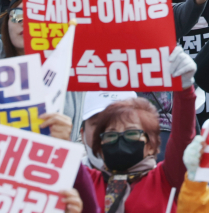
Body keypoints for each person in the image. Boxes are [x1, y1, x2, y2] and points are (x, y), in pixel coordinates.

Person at [83, 57, 198, 213]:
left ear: (150, 144)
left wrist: (184, 89)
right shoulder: (85, 183)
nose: (120, 140)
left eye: (131, 133)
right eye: (110, 135)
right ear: (100, 146)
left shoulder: (165, 178)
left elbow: (182, 137)